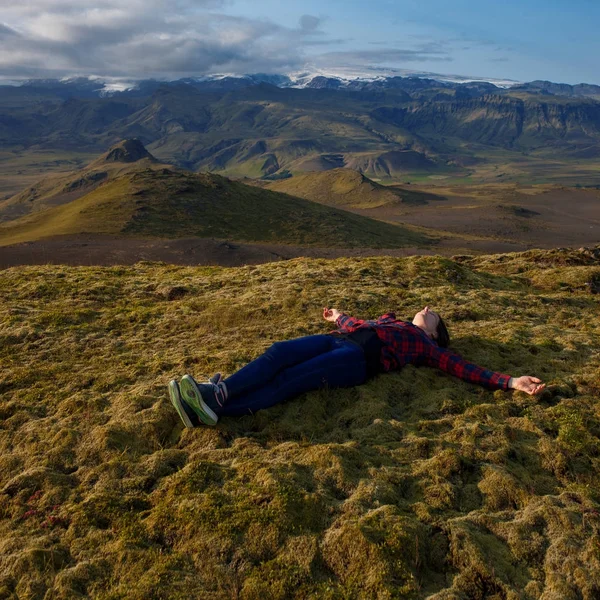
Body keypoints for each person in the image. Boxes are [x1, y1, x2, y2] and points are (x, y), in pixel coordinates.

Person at [168, 306, 546, 428]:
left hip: (354, 362)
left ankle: (215, 405)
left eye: (434, 316)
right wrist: (339, 316)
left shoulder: (425, 347)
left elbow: (463, 367)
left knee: (291, 380)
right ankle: (215, 393)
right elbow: (359, 326)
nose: (428, 309)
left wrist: (510, 381)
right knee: (280, 352)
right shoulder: (393, 320)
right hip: (341, 341)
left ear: (434, 332)